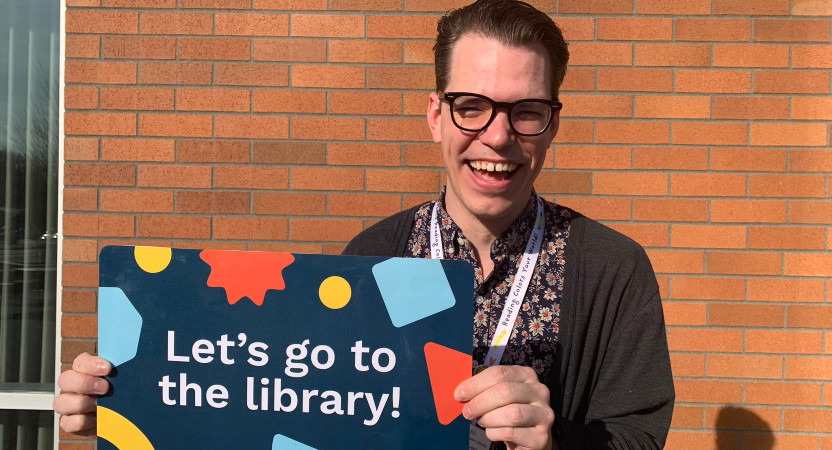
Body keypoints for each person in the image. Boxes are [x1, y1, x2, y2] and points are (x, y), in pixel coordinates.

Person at [54, 1, 674, 449]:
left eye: (527, 112)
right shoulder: (372, 254)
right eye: (472, 107)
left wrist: (558, 442)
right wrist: (131, 403)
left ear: (553, 123)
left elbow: (640, 434)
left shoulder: (612, 268)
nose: (498, 136)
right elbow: (295, 408)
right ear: (436, 115)